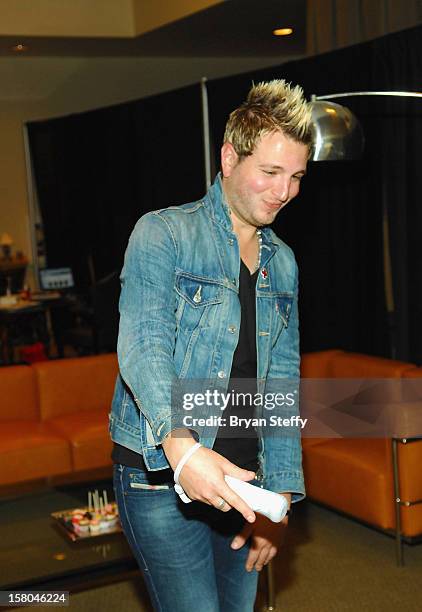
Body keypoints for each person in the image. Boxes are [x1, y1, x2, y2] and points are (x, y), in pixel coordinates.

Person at [110, 79, 312, 612]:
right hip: (162, 475)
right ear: (228, 158)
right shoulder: (163, 234)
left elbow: (282, 385)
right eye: (270, 173)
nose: (283, 192)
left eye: (295, 177)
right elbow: (143, 346)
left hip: (246, 485)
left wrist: (282, 499)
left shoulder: (284, 262)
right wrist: (185, 450)